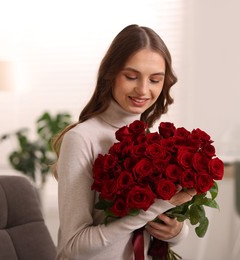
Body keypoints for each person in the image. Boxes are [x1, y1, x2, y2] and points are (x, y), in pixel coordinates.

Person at [53, 24, 196, 260]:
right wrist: (157, 207)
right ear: (110, 74)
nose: (142, 90)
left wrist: (177, 232)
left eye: (155, 80)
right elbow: (73, 246)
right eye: (131, 76)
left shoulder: (152, 140)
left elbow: (150, 230)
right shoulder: (81, 139)